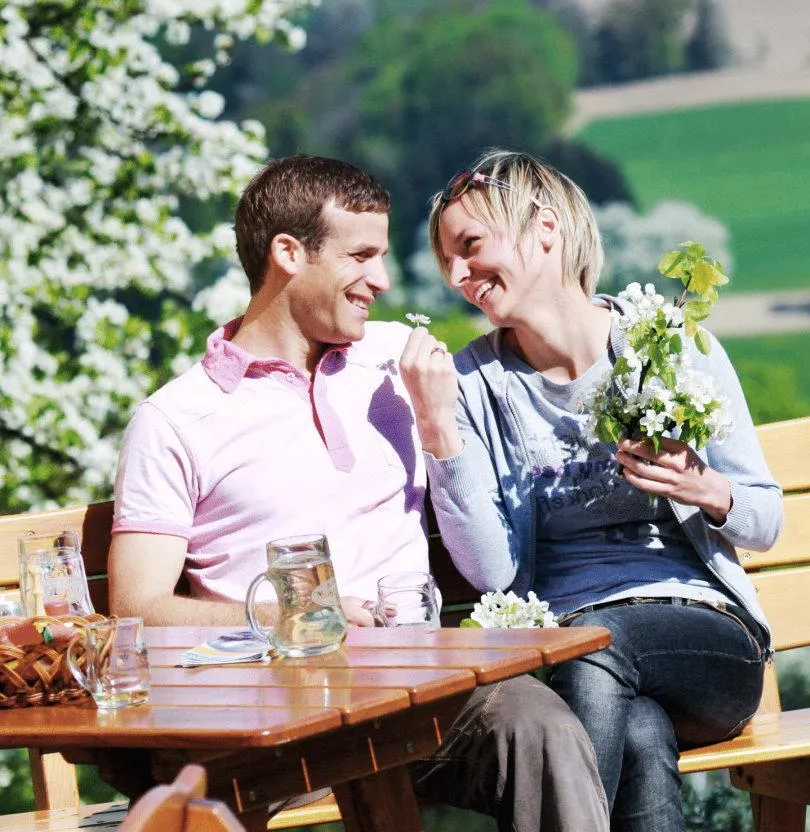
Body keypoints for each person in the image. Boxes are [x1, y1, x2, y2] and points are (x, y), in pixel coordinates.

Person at [109, 154, 609, 832]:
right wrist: (293, 616)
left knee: (537, 722)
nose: (381, 278)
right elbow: (136, 607)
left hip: (420, 689)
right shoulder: (176, 420)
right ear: (289, 253)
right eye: (361, 255)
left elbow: (535, 360)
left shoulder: (397, 361)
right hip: (274, 714)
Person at [400, 150, 783, 832]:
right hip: (584, 665)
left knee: (598, 649)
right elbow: (493, 574)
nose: (458, 278)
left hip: (707, 646)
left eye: (471, 246)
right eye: (447, 263)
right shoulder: (474, 388)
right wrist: (437, 430)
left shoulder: (666, 346)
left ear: (544, 229)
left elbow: (764, 521)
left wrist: (705, 488)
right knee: (636, 734)